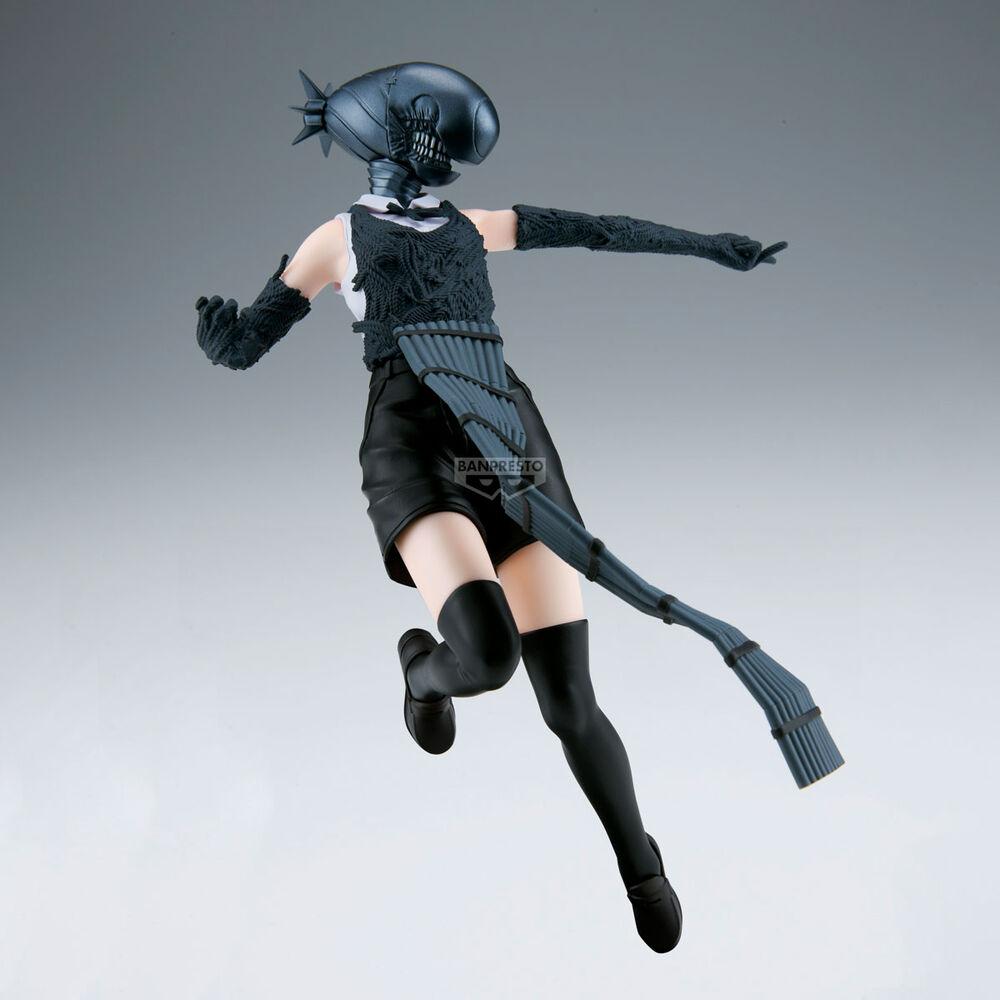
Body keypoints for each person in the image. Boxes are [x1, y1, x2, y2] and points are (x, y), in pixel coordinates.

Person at [195, 62, 789, 953]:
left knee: (571, 700)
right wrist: (221, 341)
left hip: (506, 435)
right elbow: (252, 339)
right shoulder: (337, 237)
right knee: (487, 655)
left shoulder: (472, 225)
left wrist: (709, 246)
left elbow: (594, 230)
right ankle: (422, 676)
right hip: (415, 446)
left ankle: (642, 865)